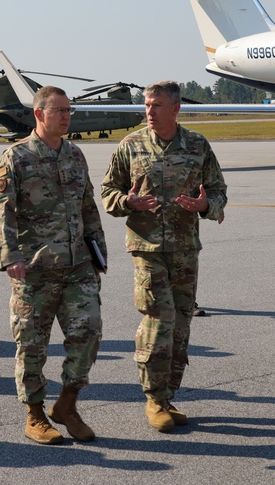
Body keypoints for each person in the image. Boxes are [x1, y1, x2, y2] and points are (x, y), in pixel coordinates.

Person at [101, 80, 227, 433]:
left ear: (175, 108)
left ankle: (169, 396)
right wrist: (129, 202)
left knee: (182, 324)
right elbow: (108, 192)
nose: (149, 112)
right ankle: (154, 399)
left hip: (186, 250)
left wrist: (205, 205)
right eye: (146, 105)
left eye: (156, 105)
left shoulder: (198, 145)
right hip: (148, 249)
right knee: (159, 321)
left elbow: (218, 191)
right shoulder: (131, 145)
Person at [0, 86, 107, 445]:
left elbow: (88, 205)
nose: (66, 116)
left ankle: (67, 403)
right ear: (39, 114)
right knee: (32, 345)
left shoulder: (75, 155)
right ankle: (35, 414)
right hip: (35, 269)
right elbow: (2, 211)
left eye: (68, 110)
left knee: (88, 334)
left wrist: (98, 251)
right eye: (58, 111)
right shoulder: (17, 157)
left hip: (78, 265)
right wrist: (10, 257)